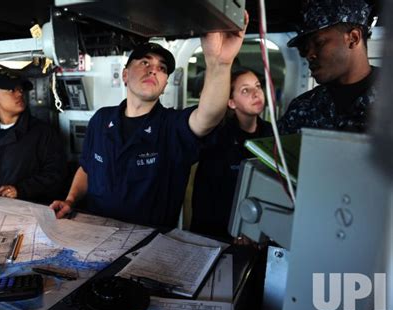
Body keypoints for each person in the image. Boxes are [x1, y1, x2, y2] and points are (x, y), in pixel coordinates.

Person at [51, 17, 249, 228]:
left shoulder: (172, 126)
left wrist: (219, 63)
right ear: (125, 75)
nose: (154, 69)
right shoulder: (101, 119)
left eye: (162, 68)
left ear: (164, 86)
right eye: (145, 62)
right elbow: (87, 168)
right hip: (96, 230)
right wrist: (70, 200)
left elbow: (209, 116)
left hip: (149, 243)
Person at [191, 68, 273, 239]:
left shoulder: (272, 134)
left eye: (257, 86)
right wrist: (237, 232)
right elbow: (208, 200)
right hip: (222, 232)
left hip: (261, 227)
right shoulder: (218, 139)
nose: (256, 93)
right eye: (245, 90)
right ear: (231, 102)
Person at [0, 71, 66, 203]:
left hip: (25, 211)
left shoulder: (42, 133)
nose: (19, 94)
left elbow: (55, 174)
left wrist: (21, 190)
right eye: (11, 90)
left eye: (20, 89)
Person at [277, 0, 377, 134]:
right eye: (306, 49)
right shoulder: (303, 108)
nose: (309, 55)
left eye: (319, 43)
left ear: (353, 38)